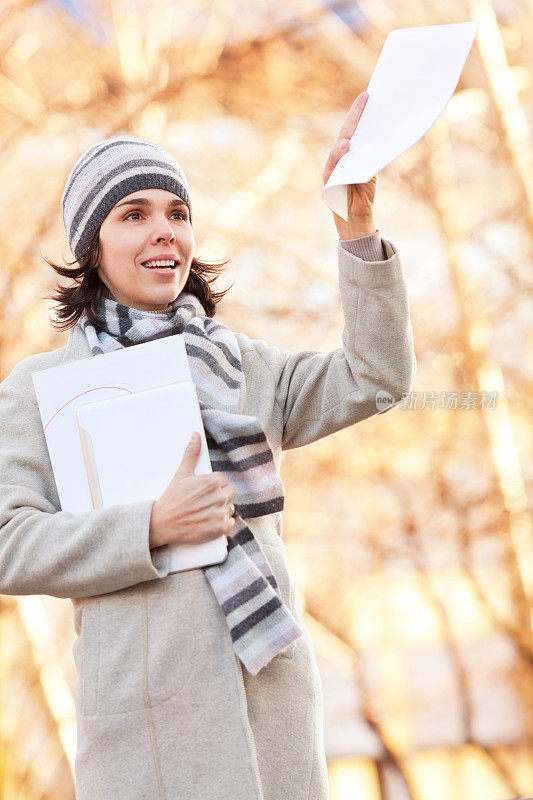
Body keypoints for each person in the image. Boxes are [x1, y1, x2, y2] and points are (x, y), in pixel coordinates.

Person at [0, 92, 415, 800]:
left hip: (268, 709)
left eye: (177, 213)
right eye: (134, 215)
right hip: (146, 733)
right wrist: (150, 527)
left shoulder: (245, 368)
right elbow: (9, 541)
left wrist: (356, 229)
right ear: (90, 248)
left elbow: (375, 379)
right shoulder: (42, 388)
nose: (164, 231)